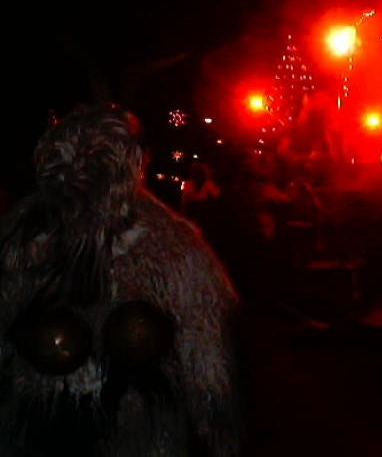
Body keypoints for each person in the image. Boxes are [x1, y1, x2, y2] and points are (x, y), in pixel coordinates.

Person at [0, 103, 245, 456]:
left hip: (57, 429)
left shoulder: (19, 233)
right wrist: (220, 434)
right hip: (122, 435)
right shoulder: (172, 243)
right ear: (132, 162)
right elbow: (209, 361)